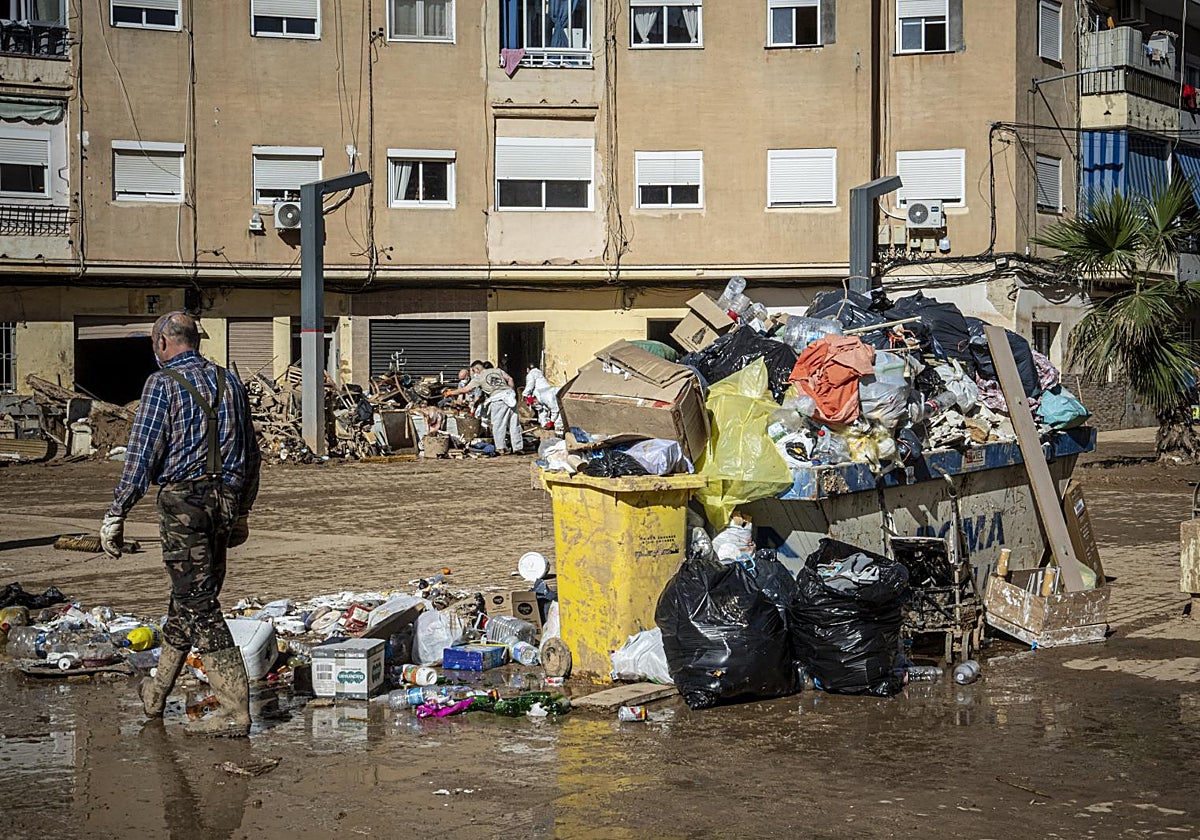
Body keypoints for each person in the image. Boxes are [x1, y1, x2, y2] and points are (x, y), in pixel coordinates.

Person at [99, 312, 261, 738]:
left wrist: (117, 511)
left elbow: (142, 454)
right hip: (225, 502)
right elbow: (252, 454)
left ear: (162, 343)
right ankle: (156, 694)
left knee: (200, 604)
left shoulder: (161, 384)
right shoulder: (230, 382)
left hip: (184, 504)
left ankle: (235, 710)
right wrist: (242, 510)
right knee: (187, 600)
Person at [444, 361, 523, 454]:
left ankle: (500, 448)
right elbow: (510, 379)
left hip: (498, 400)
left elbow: (466, 389)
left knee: (498, 425)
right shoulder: (497, 370)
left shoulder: (479, 377)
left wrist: (450, 392)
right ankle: (518, 448)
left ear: (477, 369)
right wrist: (511, 391)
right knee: (514, 424)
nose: (473, 373)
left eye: (473, 371)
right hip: (510, 397)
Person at [522, 364, 561, 430]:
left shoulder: (531, 374)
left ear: (528, 369)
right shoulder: (539, 373)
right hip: (541, 395)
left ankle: (553, 428)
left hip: (544, 396)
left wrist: (525, 395)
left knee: (553, 416)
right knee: (542, 411)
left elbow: (529, 386)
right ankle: (545, 425)